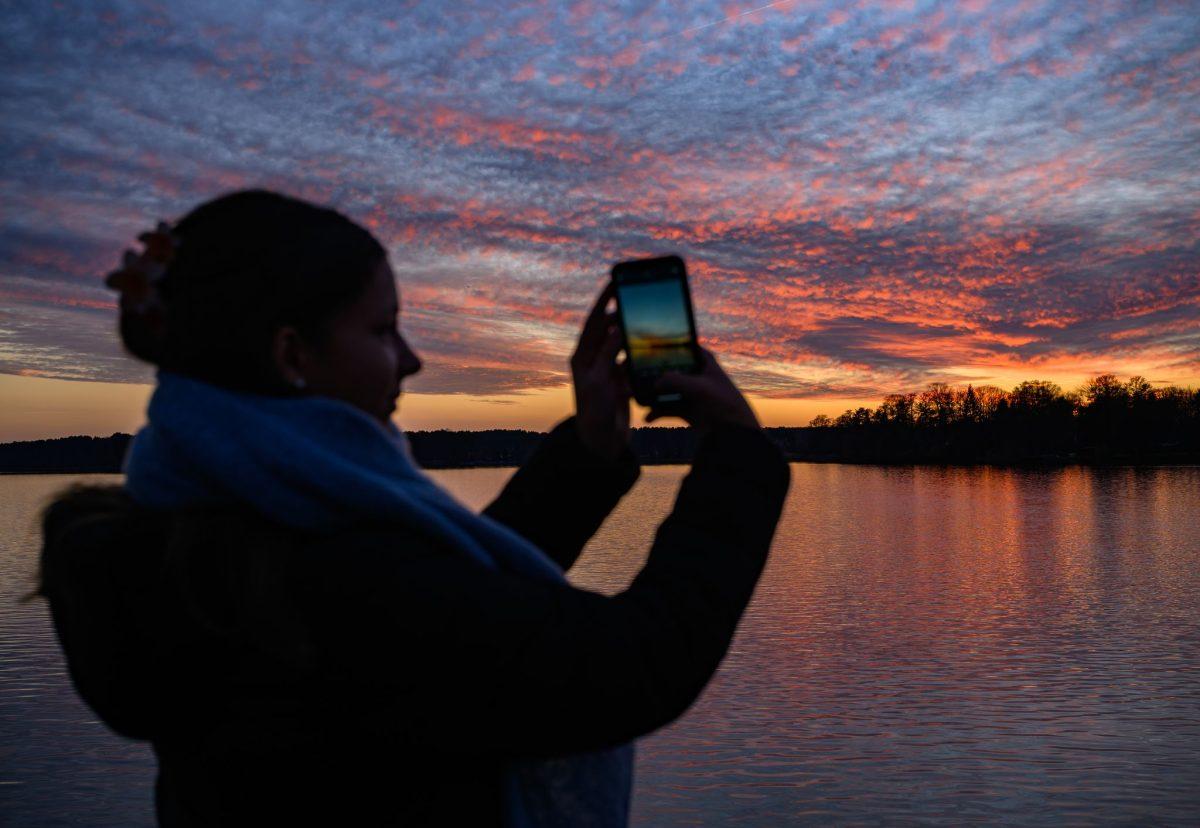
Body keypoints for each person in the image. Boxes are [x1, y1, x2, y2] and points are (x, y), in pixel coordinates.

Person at [38, 189, 790, 826]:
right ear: (293, 354)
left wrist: (588, 453)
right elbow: (634, 664)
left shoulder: (196, 532)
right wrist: (738, 451)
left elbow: (457, 611)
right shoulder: (335, 582)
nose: (411, 359)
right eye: (382, 328)